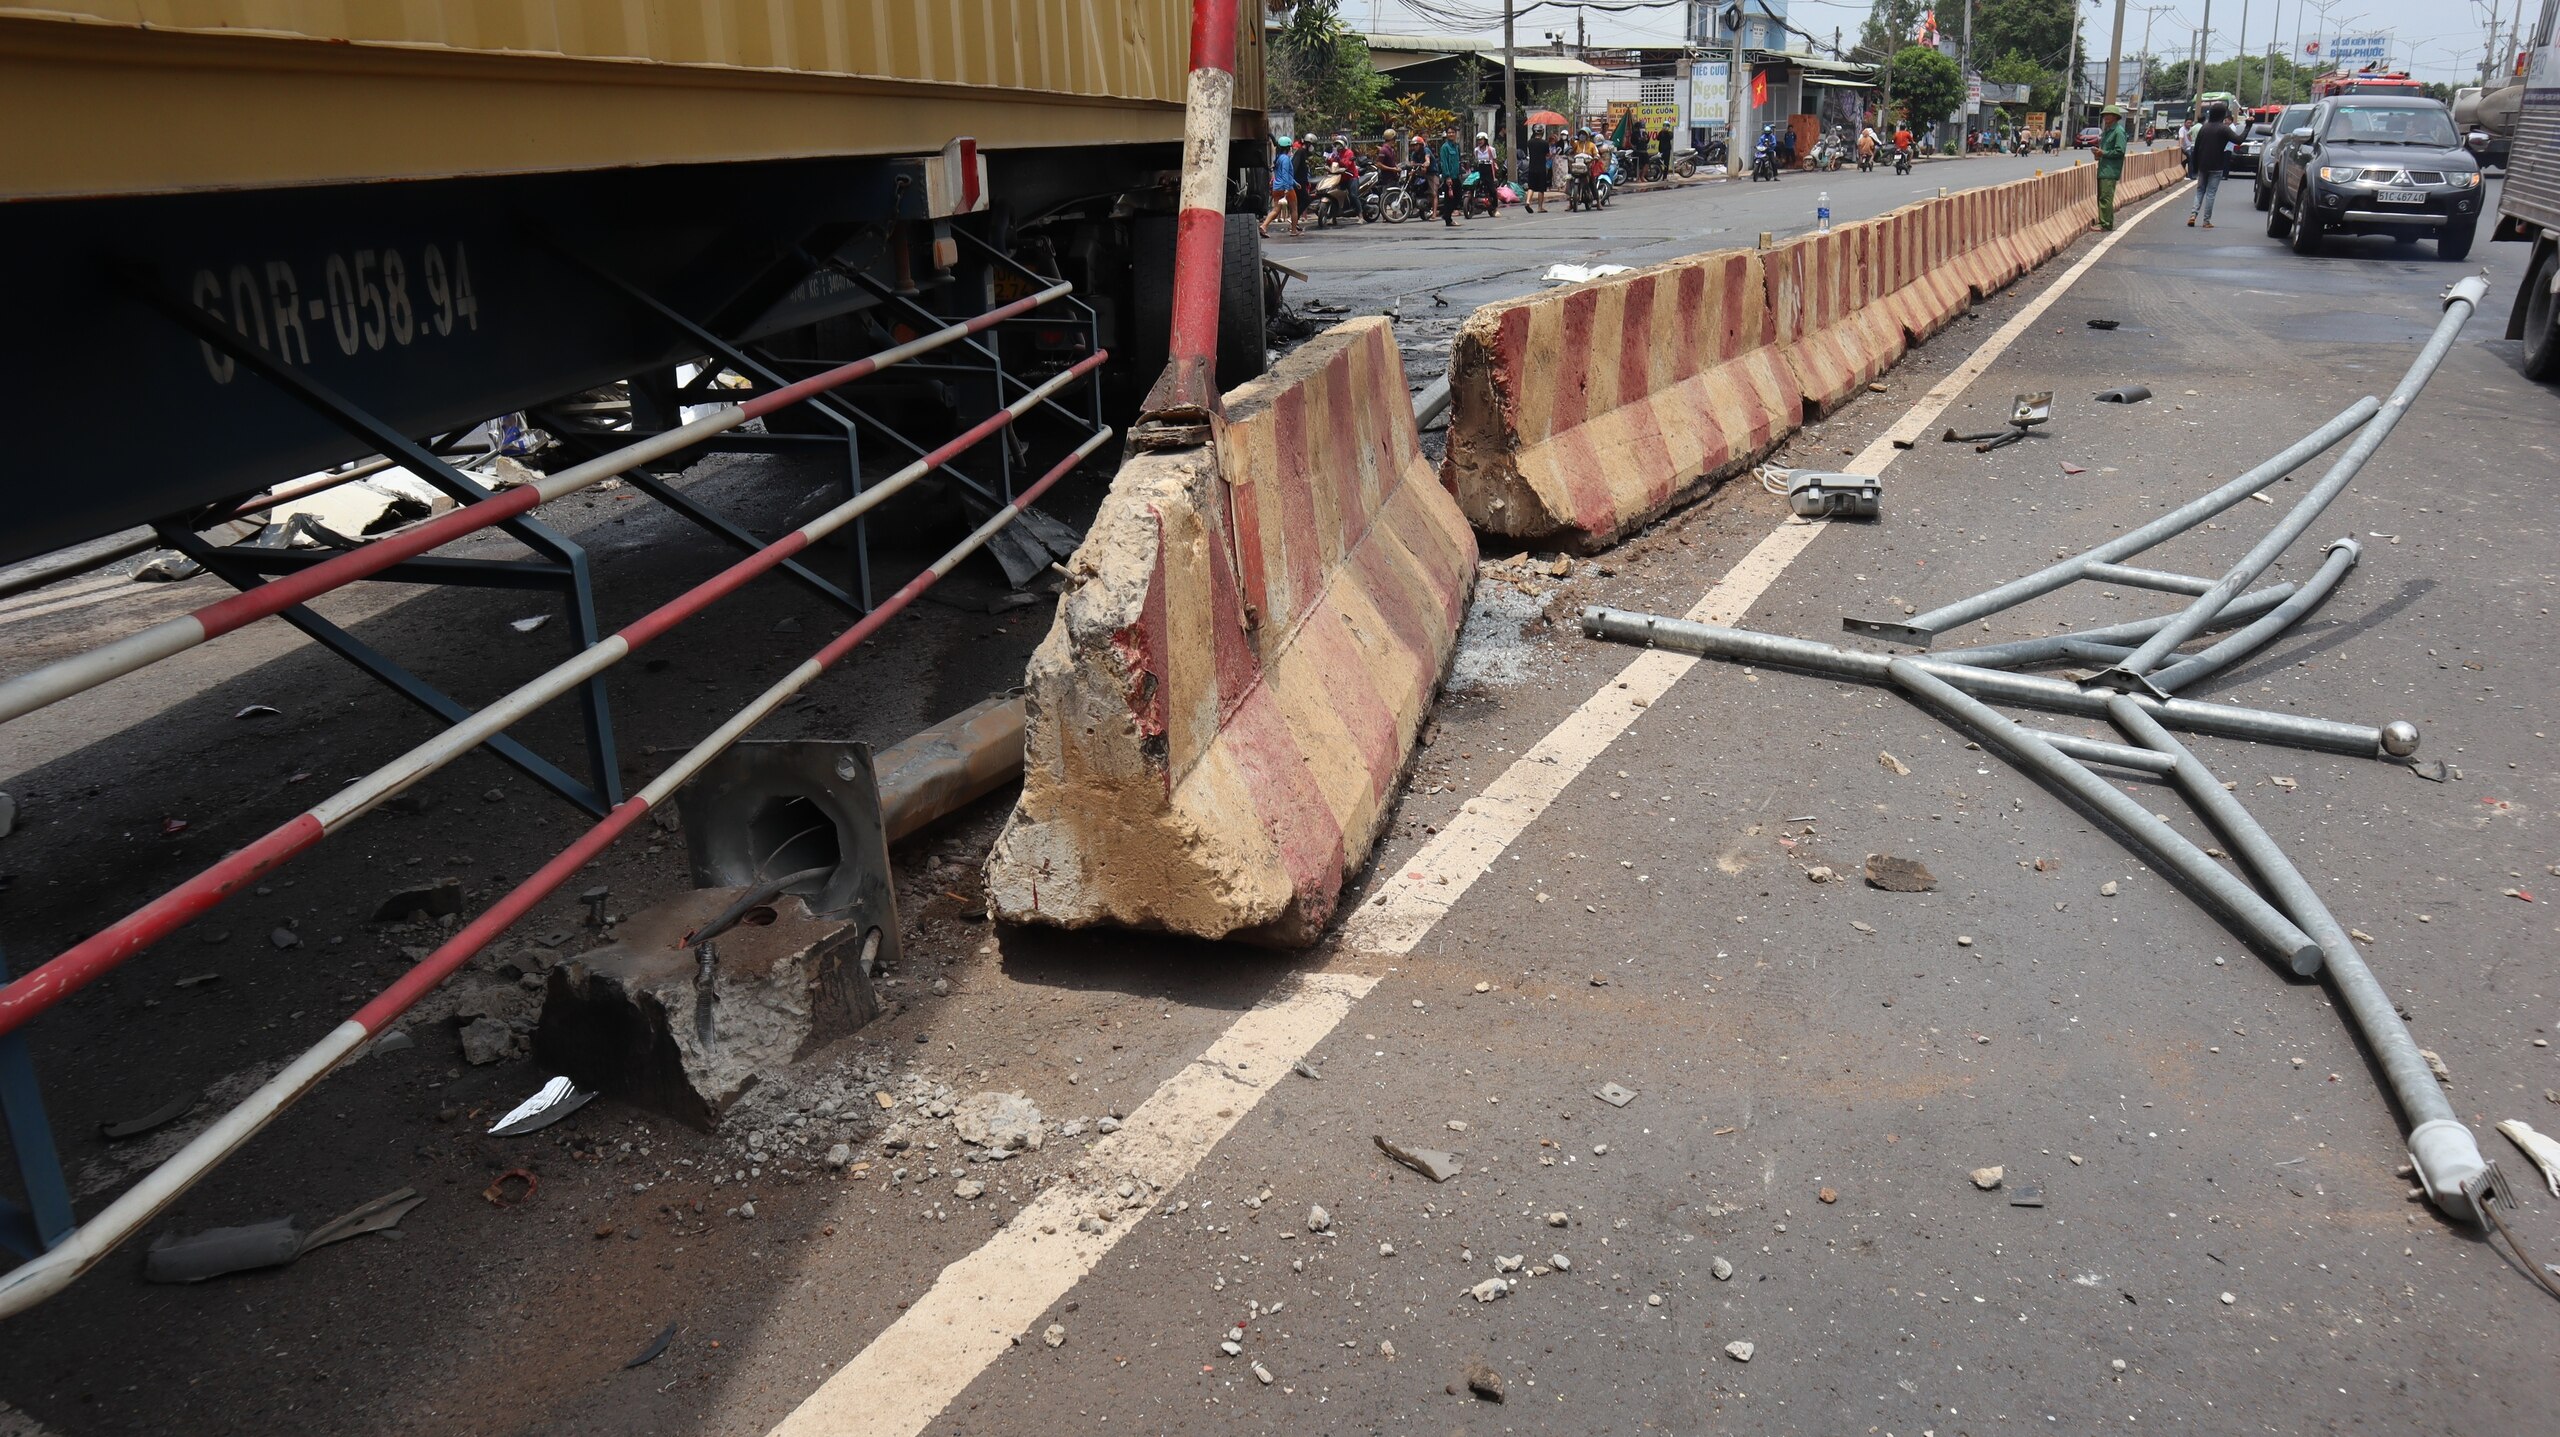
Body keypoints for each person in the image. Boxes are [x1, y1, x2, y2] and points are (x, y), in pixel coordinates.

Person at [2187, 104, 2237, 228]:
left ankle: (2193, 215)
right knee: (2210, 193)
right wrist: (2248, 126)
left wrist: (2195, 167)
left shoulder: (2204, 128)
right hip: (2217, 165)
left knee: (2200, 191)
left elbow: (2197, 148)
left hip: (2203, 165)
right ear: (2222, 115)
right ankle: (2206, 221)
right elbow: (2239, 140)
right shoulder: (2224, 129)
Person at [2093, 103, 2128, 231]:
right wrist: (2098, 154)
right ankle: (2104, 221)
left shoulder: (2118, 132)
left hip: (2110, 170)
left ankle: (2106, 224)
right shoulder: (2107, 132)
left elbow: (2120, 151)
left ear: (2115, 117)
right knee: (2102, 197)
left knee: (2106, 198)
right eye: (2105, 115)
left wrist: (2104, 153)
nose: (2106, 117)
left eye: (2109, 115)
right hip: (2103, 168)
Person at [1263, 136, 1299, 237]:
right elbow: (1285, 174)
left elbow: (1284, 175)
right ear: (1288, 147)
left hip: (1276, 187)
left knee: (1275, 209)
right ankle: (1293, 231)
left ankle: (1264, 226)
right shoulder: (1286, 159)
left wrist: (1295, 182)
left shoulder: (1278, 158)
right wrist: (1287, 188)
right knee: (1294, 209)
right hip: (1286, 188)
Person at [1436, 126, 1466, 226]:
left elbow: (1458, 161)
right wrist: (1447, 177)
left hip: (1456, 176)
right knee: (1449, 199)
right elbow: (1444, 163)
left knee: (1458, 197)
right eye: (1449, 133)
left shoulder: (1456, 146)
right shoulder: (1445, 147)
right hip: (1449, 177)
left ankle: (1446, 215)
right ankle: (1448, 219)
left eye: (1453, 132)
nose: (1451, 134)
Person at [1520, 126, 1553, 212]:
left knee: (1531, 187)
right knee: (1541, 189)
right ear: (1542, 132)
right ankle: (1540, 207)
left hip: (1532, 168)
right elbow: (1547, 155)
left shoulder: (1530, 142)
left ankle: (1527, 202)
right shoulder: (1545, 143)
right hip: (1541, 168)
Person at [1471, 131, 1501, 214]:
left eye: (1481, 140)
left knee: (1492, 189)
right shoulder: (1476, 150)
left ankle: (1495, 207)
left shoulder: (1491, 150)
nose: (1480, 141)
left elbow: (1494, 161)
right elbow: (1476, 160)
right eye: (1478, 140)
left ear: (1485, 140)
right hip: (1480, 169)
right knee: (1477, 186)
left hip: (1489, 170)